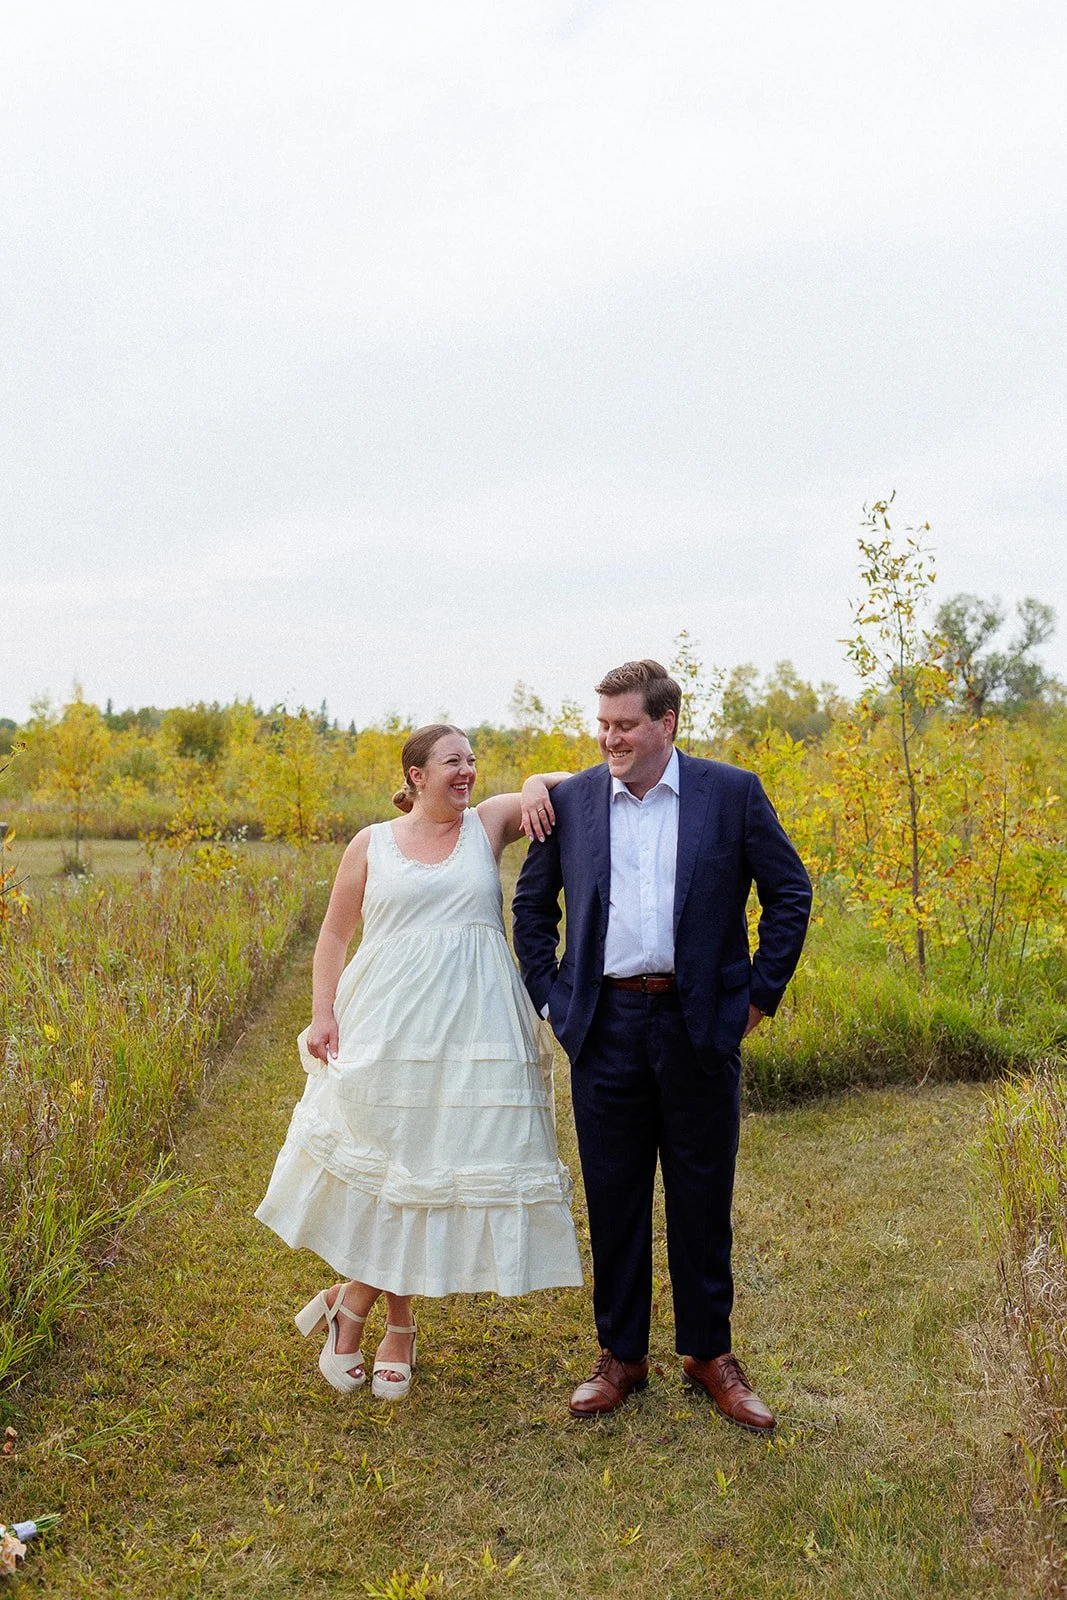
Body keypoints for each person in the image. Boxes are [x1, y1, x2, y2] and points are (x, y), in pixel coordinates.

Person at [513, 660, 811, 1428]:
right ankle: (621, 1357)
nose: (610, 737)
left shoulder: (731, 794)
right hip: (602, 1026)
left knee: (701, 1195)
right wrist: (554, 1000)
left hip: (699, 1026)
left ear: (667, 723)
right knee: (613, 1196)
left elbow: (789, 893)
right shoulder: (571, 801)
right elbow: (530, 906)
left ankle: (708, 1354)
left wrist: (758, 1001)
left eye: (625, 724)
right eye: (602, 724)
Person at [256, 724, 582, 1400]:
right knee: (396, 1161)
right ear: (413, 774)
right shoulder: (370, 843)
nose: (465, 773)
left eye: (471, 761)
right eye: (450, 763)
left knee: (440, 1159)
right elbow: (334, 933)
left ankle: (354, 1306)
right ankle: (391, 1322)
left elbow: (568, 786)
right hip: (387, 1019)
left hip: (474, 1023)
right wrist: (323, 1013)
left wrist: (525, 785)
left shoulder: (487, 823)